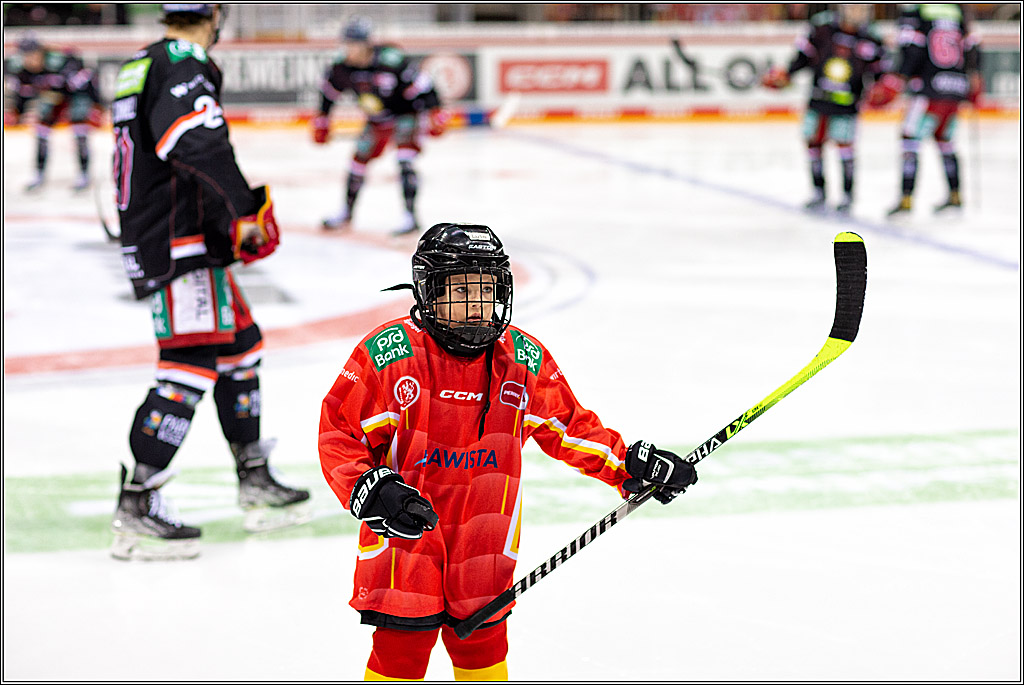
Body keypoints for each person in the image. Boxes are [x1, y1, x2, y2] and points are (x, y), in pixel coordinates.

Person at [319, 222, 699, 680]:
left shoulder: (520, 358)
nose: (476, 306)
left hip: (486, 539)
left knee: (483, 648)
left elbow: (570, 427)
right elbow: (340, 433)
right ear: (427, 291)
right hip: (406, 537)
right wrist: (369, 490)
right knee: (401, 650)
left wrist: (628, 464)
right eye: (460, 292)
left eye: (485, 290)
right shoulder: (390, 354)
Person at [109, 3, 310, 561]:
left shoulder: (141, 62)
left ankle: (253, 474)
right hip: (178, 245)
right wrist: (245, 210)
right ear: (214, 13)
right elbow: (191, 141)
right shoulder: (183, 59)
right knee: (190, 363)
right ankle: (138, 502)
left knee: (241, 348)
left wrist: (224, 225)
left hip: (179, 236)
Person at [312, 16, 449, 237]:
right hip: (377, 119)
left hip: (407, 113)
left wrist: (436, 111)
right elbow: (328, 93)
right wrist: (322, 120)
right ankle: (346, 213)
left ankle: (410, 217)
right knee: (358, 161)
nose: (348, 49)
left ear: (365, 43)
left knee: (405, 159)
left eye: (352, 44)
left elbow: (423, 84)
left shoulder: (391, 60)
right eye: (346, 44)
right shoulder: (341, 67)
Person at [762, 4, 889, 214]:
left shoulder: (872, 37)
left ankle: (847, 195)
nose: (857, 14)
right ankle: (818, 192)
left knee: (845, 149)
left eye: (862, 9)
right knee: (813, 144)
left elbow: (880, 72)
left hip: (848, 106)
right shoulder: (821, 27)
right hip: (818, 101)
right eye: (853, 9)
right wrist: (786, 75)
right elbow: (802, 58)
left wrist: (883, 88)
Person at [867, 3, 983, 216]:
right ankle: (956, 194)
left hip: (927, 90)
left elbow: (913, 50)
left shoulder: (915, 11)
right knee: (945, 140)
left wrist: (899, 77)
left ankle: (906, 198)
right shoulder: (956, 10)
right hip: (956, 89)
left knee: (909, 139)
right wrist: (974, 75)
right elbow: (972, 46)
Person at [5, 33, 103, 192]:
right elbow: (22, 94)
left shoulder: (62, 62)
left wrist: (97, 104)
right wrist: (17, 111)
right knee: (41, 130)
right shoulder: (19, 68)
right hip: (53, 96)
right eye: (25, 55)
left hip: (76, 95)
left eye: (33, 54)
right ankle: (38, 173)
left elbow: (87, 81)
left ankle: (84, 174)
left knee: (79, 130)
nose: (30, 59)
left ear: (41, 52)